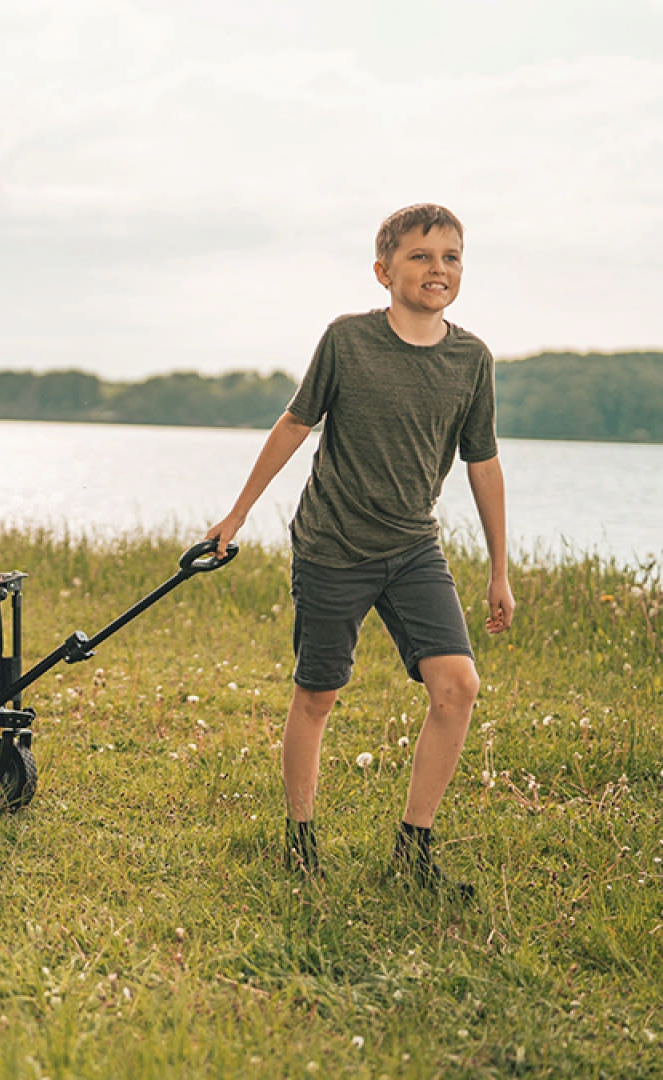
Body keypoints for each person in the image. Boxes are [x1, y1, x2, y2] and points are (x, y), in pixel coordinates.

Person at [205, 203, 514, 898]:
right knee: (318, 694)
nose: (439, 269)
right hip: (332, 547)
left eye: (452, 257)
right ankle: (301, 841)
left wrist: (499, 570)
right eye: (421, 256)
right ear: (384, 270)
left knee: (457, 685)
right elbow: (294, 423)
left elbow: (484, 464)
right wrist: (238, 512)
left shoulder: (472, 360)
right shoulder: (347, 341)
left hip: (412, 549)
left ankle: (413, 851)